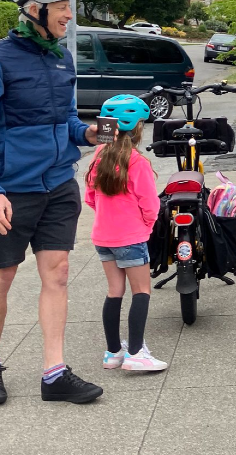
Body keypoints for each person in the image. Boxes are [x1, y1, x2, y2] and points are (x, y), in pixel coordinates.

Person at [0, 0, 103, 405]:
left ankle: (54, 374)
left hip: (58, 185)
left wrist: (87, 134)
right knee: (2, 275)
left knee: (57, 273)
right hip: (11, 191)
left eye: (68, 7)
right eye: (61, 8)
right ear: (35, 10)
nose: (69, 15)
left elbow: (65, 120)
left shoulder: (62, 58)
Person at [85, 95, 168, 372]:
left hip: (103, 236)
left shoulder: (98, 155)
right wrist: (146, 227)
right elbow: (150, 205)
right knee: (141, 291)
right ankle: (135, 353)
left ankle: (113, 353)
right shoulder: (137, 161)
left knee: (114, 291)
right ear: (138, 128)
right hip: (131, 236)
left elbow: (90, 197)